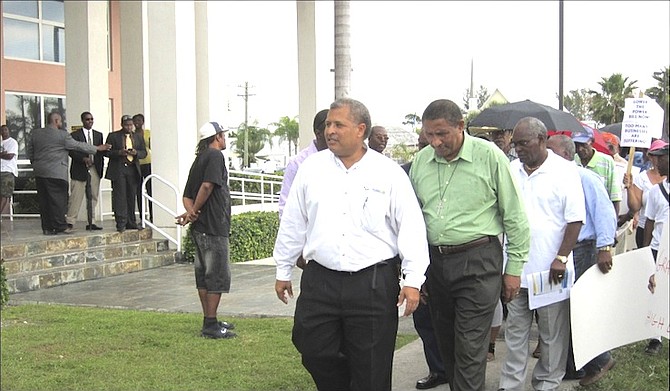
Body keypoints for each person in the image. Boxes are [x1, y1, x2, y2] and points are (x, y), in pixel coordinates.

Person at [273, 97, 429, 391]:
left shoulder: (388, 173)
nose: (330, 130)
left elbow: (411, 227)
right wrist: (283, 268)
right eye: (328, 124)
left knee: (372, 365)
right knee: (313, 348)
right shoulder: (311, 169)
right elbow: (294, 221)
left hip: (372, 282)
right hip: (321, 280)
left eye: (338, 124)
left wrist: (413, 280)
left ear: (360, 130)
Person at [409, 99, 530, 391]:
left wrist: (513, 269)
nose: (435, 142)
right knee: (447, 345)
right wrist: (415, 274)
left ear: (461, 127)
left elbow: (515, 216)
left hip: (478, 261)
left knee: (469, 347)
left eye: (442, 134)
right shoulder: (421, 163)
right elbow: (411, 222)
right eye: (429, 135)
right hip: (435, 265)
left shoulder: (489, 156)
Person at [499, 117, 585, 391]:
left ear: (542, 140)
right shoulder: (510, 170)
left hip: (550, 270)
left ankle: (547, 383)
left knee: (550, 336)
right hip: (515, 269)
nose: (518, 149)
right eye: (515, 144)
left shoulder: (565, 171)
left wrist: (561, 258)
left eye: (523, 143)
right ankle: (510, 385)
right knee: (515, 334)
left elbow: (575, 220)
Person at [546, 134, 617, 386]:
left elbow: (605, 211)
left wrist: (605, 247)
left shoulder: (585, 178)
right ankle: (573, 365)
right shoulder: (554, 179)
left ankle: (599, 360)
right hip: (562, 251)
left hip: (583, 249)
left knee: (581, 307)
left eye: (550, 150)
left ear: (566, 155)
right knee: (563, 309)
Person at [176, 121, 236, 339]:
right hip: (213, 226)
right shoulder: (215, 156)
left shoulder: (199, 159)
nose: (225, 139)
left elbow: (186, 196)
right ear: (217, 137)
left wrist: (190, 212)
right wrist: (195, 211)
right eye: (223, 135)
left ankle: (210, 319)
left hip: (200, 227)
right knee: (217, 275)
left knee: (204, 275)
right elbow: (207, 186)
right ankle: (210, 325)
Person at [402, 130, 447, 390]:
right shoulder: (404, 173)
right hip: (419, 258)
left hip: (450, 256)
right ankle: (438, 369)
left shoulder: (452, 172)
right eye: (421, 144)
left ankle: (458, 370)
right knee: (424, 319)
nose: (426, 148)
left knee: (452, 320)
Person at [27, 112, 110, 235]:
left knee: (44, 201)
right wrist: (97, 148)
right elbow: (77, 146)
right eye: (60, 121)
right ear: (56, 121)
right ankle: (61, 226)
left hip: (40, 172)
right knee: (58, 201)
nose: (61, 123)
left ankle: (48, 228)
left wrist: (36, 164)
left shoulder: (36, 133)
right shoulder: (62, 135)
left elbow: (30, 151)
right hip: (56, 173)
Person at [641, 142, 669, 356]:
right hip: (658, 249)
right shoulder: (655, 192)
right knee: (656, 292)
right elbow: (649, 222)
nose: (656, 162)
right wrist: (645, 255)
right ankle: (655, 337)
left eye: (661, 158)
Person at [278, 108, 329, 220]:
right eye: (329, 126)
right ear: (318, 133)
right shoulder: (298, 163)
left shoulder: (342, 160)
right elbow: (286, 207)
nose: (335, 132)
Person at [623, 139, 668, 248]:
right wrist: (629, 188)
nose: (659, 161)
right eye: (656, 156)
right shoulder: (646, 182)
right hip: (653, 240)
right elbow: (645, 217)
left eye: (661, 158)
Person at [105, 115, 147, 232]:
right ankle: (121, 222)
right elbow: (106, 152)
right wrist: (119, 152)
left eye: (130, 125)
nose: (129, 127)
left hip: (132, 168)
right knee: (120, 196)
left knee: (131, 195)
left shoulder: (138, 137)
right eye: (126, 125)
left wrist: (136, 153)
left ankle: (131, 221)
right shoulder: (113, 136)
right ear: (122, 125)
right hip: (119, 169)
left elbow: (144, 152)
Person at [66, 112, 105, 230]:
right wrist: (83, 159)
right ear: (83, 121)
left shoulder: (98, 135)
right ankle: (70, 221)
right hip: (80, 168)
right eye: (88, 119)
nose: (90, 121)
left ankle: (91, 221)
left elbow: (100, 151)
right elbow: (71, 151)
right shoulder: (74, 135)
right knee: (76, 196)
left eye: (92, 119)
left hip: (94, 168)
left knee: (93, 195)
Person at [572, 128, 622, 215]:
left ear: (592, 142)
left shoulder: (607, 162)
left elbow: (615, 196)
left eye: (583, 144)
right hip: (576, 214)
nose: (580, 149)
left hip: (600, 214)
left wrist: (613, 223)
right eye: (576, 145)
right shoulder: (572, 161)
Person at [133, 114, 153, 222]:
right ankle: (142, 215)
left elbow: (151, 146)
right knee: (139, 190)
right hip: (136, 164)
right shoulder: (131, 134)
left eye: (139, 120)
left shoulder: (147, 133)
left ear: (143, 121)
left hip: (148, 163)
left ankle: (152, 215)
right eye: (135, 120)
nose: (137, 122)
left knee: (150, 190)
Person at [1, 124, 18, 219]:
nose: (4, 132)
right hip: (0, 170)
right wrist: (2, 154)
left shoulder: (12, 142)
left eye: (5, 130)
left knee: (5, 194)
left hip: (8, 171)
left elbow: (10, 156)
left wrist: (2, 155)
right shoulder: (1, 143)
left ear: (9, 131)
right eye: (2, 130)